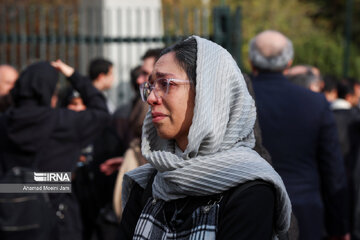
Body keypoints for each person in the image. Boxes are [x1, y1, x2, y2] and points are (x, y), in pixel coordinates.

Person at [119, 36, 291, 239]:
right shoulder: (149, 182)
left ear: (208, 94)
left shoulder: (250, 190)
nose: (150, 98)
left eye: (166, 83)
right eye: (151, 86)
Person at [249, 30, 349, 240]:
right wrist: (338, 226)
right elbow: (332, 169)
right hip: (305, 212)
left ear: (251, 62)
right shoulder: (315, 103)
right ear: (289, 62)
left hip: (249, 208)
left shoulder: (240, 98)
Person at [0, 60, 110, 240]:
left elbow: (10, 179)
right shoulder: (63, 122)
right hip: (58, 220)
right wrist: (73, 75)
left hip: (9, 217)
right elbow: (101, 110)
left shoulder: (5, 122)